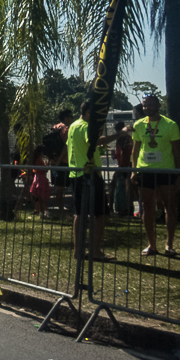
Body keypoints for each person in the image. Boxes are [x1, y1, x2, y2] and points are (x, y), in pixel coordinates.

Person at [131, 94, 180, 257]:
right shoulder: (138, 125)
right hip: (145, 171)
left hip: (166, 170)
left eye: (150, 105)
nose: (147, 108)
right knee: (147, 207)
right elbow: (135, 150)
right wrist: (134, 170)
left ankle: (169, 244)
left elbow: (176, 150)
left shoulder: (170, 125)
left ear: (158, 105)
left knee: (170, 207)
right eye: (144, 105)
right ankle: (151, 245)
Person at [68, 100, 116, 262]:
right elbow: (96, 141)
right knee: (100, 214)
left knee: (80, 214)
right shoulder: (85, 126)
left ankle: (78, 251)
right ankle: (95, 251)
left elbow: (83, 146)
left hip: (77, 174)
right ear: (88, 113)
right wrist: (121, 133)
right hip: (90, 174)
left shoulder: (73, 126)